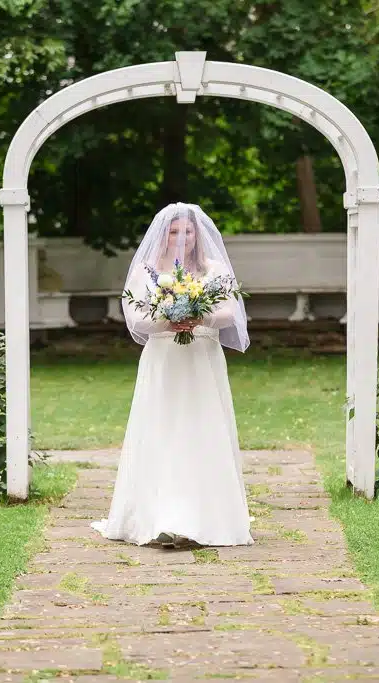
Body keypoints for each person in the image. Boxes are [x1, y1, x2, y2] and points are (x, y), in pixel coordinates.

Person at [92, 203, 253, 548]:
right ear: (163, 234)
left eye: (188, 231)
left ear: (198, 235)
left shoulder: (214, 268)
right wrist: (168, 320)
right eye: (175, 231)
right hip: (164, 358)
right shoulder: (146, 272)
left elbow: (228, 312)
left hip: (202, 358)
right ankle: (160, 515)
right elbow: (135, 318)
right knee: (162, 428)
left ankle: (208, 516)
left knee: (203, 427)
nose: (182, 238)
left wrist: (201, 317)